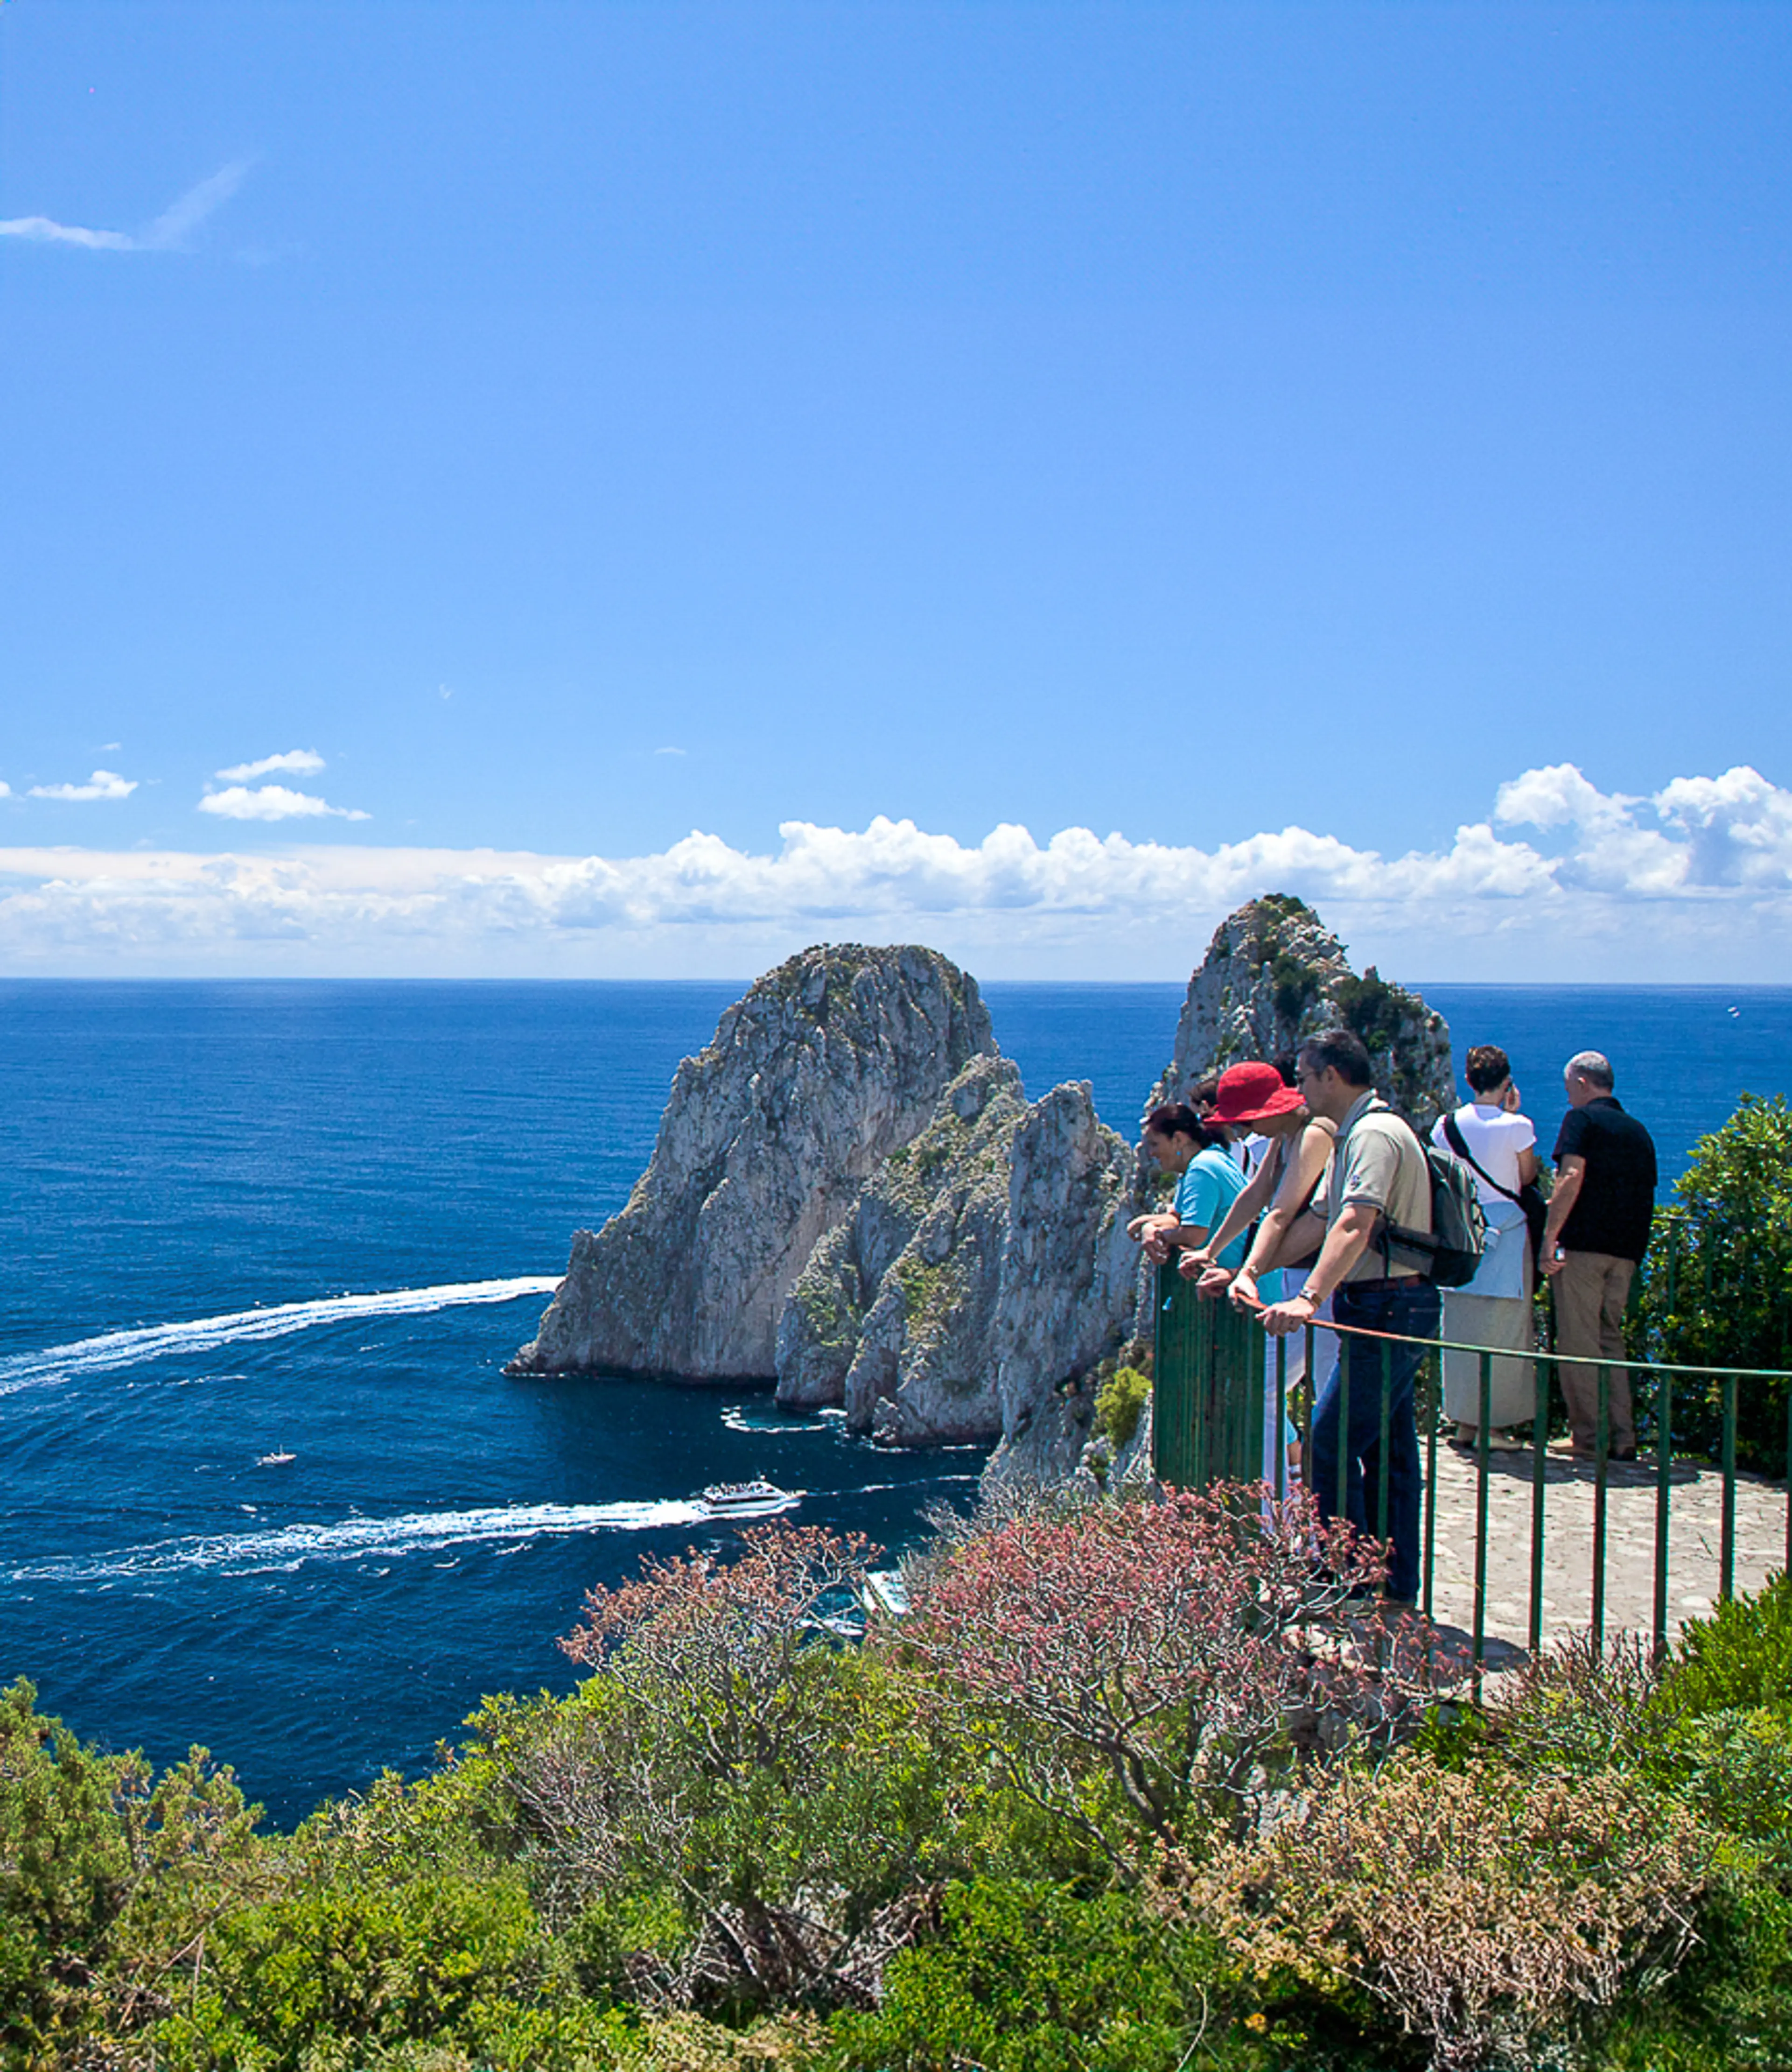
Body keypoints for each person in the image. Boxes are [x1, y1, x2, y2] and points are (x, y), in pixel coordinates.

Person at [1257, 1028, 1440, 1607]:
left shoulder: (1376, 1135)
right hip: (1382, 1302)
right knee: (1388, 1450)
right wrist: (1240, 1267)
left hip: (1390, 1304)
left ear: (1331, 1076)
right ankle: (1395, 1579)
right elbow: (1314, 1222)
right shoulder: (1352, 1137)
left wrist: (1308, 1297)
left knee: (1330, 1445)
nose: (1299, 1089)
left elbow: (1354, 1222)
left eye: (1305, 1077)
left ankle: (1350, 1579)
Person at [1177, 1059, 1337, 1490]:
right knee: (1266, 1393)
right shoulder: (1288, 1137)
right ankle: (1286, 1514)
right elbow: (1253, 1198)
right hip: (1294, 1280)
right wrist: (1209, 1252)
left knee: (1298, 1397)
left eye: (1246, 1122)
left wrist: (1243, 1272)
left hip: (1326, 1288)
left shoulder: (1315, 1134)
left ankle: (1293, 1519)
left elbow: (1281, 1211)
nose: (1244, 1133)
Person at [1540, 1050, 1657, 1462]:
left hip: (1585, 1248)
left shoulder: (1582, 1120)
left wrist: (1549, 1238)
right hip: (1626, 1252)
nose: (1568, 1093)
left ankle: (1589, 1435)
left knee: (1577, 1341)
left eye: (1569, 1085)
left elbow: (1571, 1176)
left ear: (1584, 1083)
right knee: (1610, 1339)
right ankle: (1623, 1435)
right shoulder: (1638, 1131)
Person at [1431, 1045, 1541, 1452]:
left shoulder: (1445, 1126)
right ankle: (1492, 1426)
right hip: (1508, 1232)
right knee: (1504, 1330)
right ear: (1506, 1081)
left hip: (1464, 1233)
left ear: (1470, 1079)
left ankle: (1462, 1419)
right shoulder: (1518, 1126)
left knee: (1460, 1328)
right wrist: (1512, 1115)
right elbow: (1526, 1176)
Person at [1127, 1102, 1251, 1272]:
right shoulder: (1201, 1162)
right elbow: (1179, 1218)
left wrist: (1157, 1234)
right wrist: (1148, 1223)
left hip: (1252, 1285)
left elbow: (1194, 1234)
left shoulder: (1202, 1168)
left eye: (1155, 1144)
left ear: (1178, 1139)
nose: (1151, 1153)